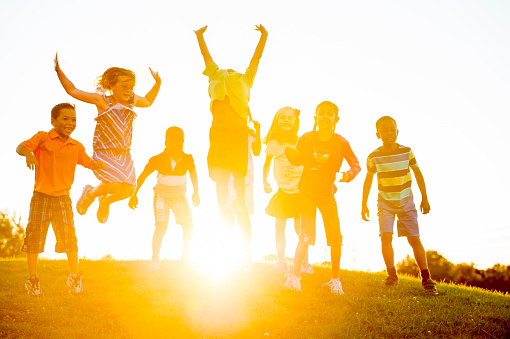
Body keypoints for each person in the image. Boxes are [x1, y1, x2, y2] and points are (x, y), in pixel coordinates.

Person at [54, 54, 161, 223]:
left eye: (131, 87)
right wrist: (59, 71)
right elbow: (72, 90)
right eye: (124, 86)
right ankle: (89, 194)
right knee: (113, 184)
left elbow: (148, 101)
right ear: (111, 85)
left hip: (124, 155)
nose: (129, 90)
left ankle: (105, 201)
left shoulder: (132, 101)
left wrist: (157, 83)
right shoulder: (102, 101)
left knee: (128, 189)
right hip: (105, 152)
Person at [194, 24, 268, 267]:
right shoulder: (216, 74)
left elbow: (256, 59)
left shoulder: (245, 78)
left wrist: (264, 37)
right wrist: (199, 37)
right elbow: (206, 57)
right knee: (221, 187)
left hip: (237, 135)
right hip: (219, 135)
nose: (230, 69)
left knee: (239, 191)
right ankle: (224, 244)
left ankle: (245, 252)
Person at [16, 103, 104, 296]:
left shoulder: (76, 146)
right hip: (41, 195)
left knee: (68, 237)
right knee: (34, 236)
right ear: (53, 121)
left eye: (74, 120)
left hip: (63, 198)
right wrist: (29, 155)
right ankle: (33, 280)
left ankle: (74, 277)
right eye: (65, 119)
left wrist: (111, 166)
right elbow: (20, 147)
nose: (70, 123)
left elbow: (92, 164)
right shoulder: (43, 137)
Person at [283, 101, 361, 294]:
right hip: (307, 193)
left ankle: (335, 281)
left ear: (336, 119)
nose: (325, 116)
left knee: (335, 237)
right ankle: (294, 278)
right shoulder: (307, 138)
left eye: (329, 114)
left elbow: (356, 165)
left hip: (327, 195)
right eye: (321, 113)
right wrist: (291, 153)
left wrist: (347, 175)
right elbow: (296, 158)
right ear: (315, 117)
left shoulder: (341, 142)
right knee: (306, 235)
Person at [361, 116, 438, 294]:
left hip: (406, 201)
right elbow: (368, 179)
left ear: (397, 131)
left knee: (414, 238)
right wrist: (364, 204)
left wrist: (424, 198)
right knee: (385, 237)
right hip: (385, 203)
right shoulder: (373, 156)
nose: (389, 133)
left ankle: (426, 278)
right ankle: (392, 275)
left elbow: (418, 174)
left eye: (392, 129)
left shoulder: (407, 152)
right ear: (377, 134)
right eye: (384, 130)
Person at [128, 127, 199, 269]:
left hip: (179, 195)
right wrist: (134, 194)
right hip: (162, 195)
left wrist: (196, 192)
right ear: (166, 142)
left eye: (181, 140)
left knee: (188, 224)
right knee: (161, 225)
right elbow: (143, 176)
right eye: (174, 140)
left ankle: (186, 257)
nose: (178, 143)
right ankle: (155, 260)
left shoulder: (187, 159)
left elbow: (193, 174)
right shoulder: (158, 159)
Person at [262, 107, 312, 274]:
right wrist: (264, 180)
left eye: (290, 117)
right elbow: (267, 164)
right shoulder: (272, 145)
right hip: (283, 192)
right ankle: (281, 261)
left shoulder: (300, 141)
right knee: (279, 227)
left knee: (300, 229)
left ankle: (305, 263)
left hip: (300, 192)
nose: (286, 120)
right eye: (282, 117)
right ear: (277, 121)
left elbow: (307, 162)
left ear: (295, 122)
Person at [226, 121, 261, 223]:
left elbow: (257, 151)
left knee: (244, 214)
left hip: (246, 180)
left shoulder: (249, 133)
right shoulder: (227, 132)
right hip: (230, 181)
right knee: (230, 215)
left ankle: (245, 238)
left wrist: (257, 130)